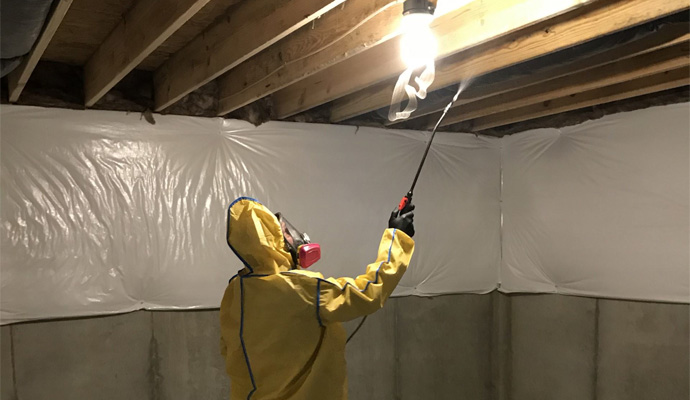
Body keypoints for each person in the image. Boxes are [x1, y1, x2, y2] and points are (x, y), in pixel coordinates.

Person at [220, 196, 416, 399]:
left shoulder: (235, 291)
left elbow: (229, 351)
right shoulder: (298, 287)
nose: (294, 236)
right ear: (272, 242)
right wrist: (397, 236)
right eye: (285, 232)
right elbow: (369, 291)